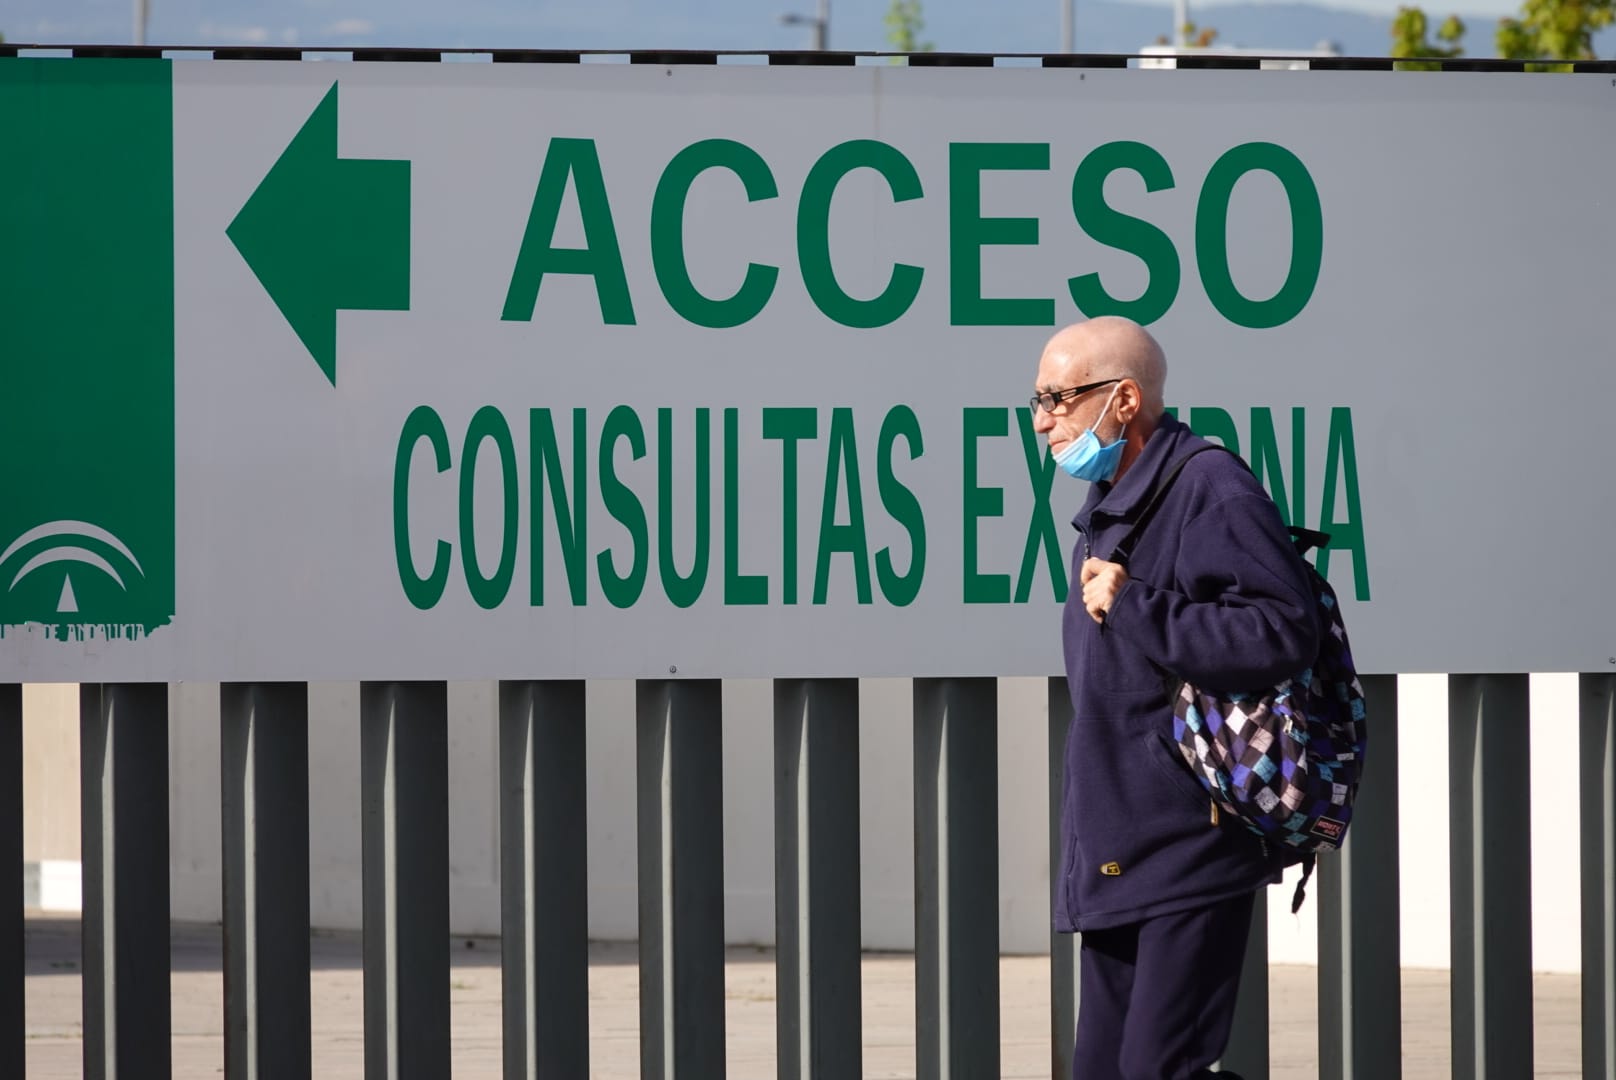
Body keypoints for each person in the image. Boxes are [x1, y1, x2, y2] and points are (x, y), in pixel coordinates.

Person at [1032, 316, 1319, 1080]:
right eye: (1035, 400)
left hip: (1193, 838)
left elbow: (1285, 628)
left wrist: (1141, 606)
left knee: (1163, 1068)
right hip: (1118, 843)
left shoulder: (1208, 487)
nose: (1043, 420)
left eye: (1059, 398)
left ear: (1124, 400)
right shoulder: (1113, 503)